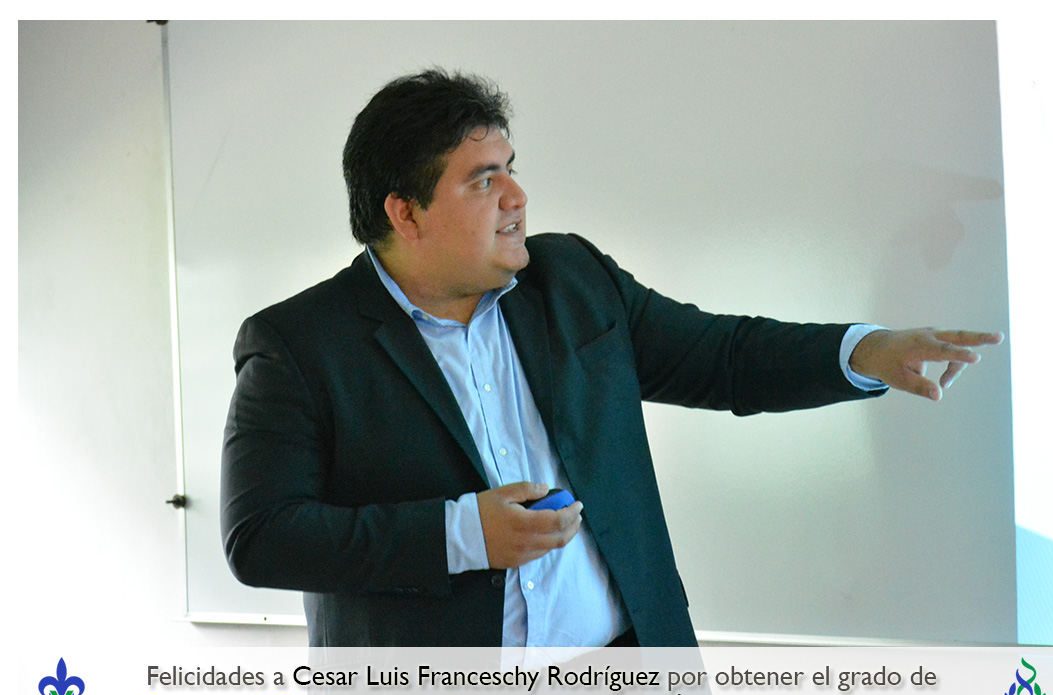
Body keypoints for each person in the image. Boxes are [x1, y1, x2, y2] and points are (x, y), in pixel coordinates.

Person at [221, 68, 1002, 657]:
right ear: (405, 212)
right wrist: (462, 534)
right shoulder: (299, 344)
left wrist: (866, 350)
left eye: (511, 167)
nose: (517, 197)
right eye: (483, 180)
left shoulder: (572, 280)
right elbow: (262, 537)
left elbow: (723, 355)